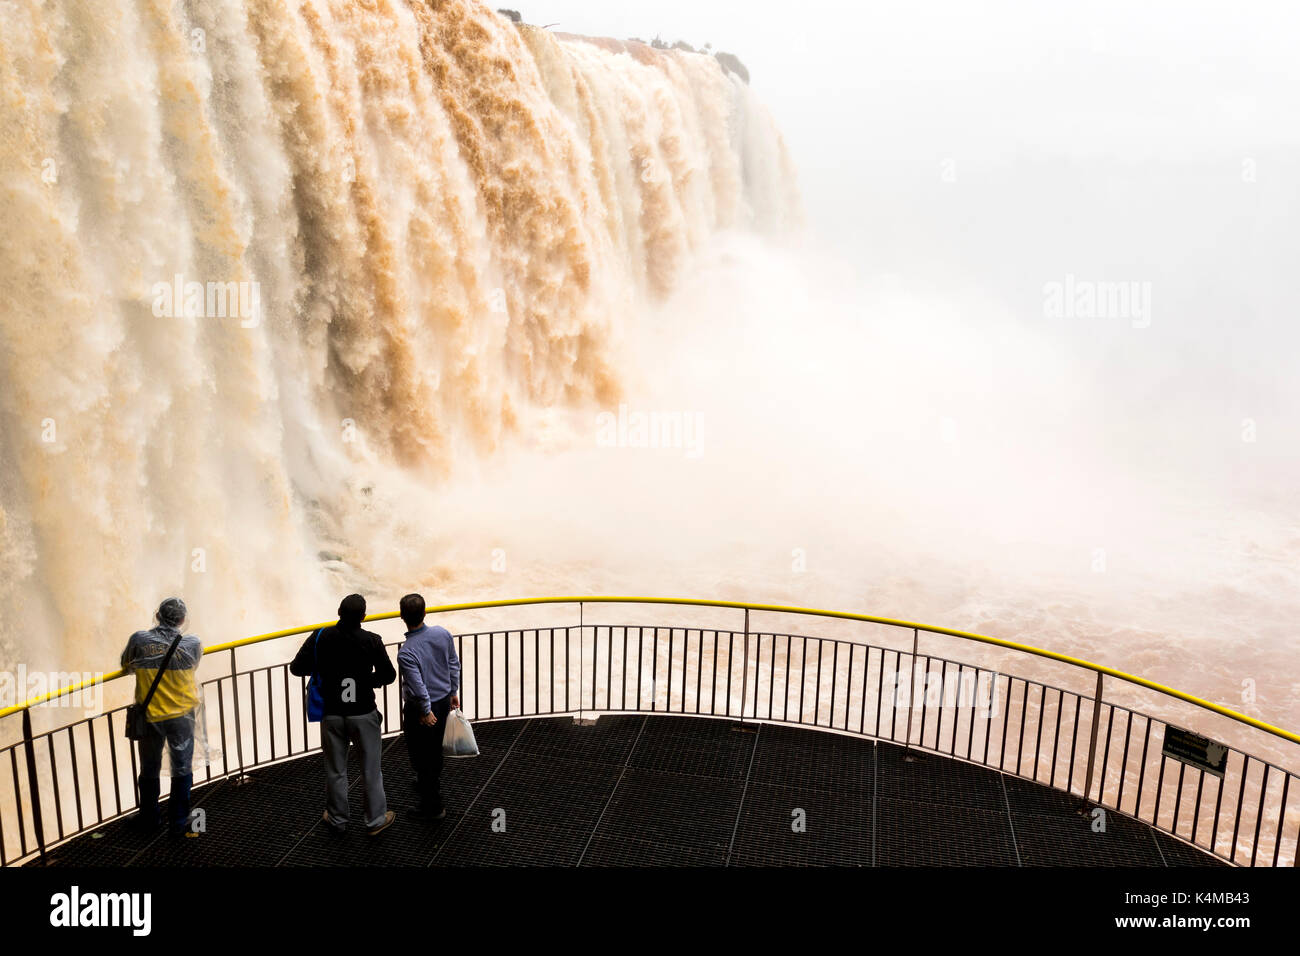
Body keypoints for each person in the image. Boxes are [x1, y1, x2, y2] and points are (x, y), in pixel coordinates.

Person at [290, 594, 397, 836]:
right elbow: (388, 675)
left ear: (338, 611)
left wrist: (324, 672)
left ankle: (337, 819)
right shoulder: (372, 640)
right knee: (370, 769)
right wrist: (367, 682)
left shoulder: (320, 636)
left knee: (335, 768)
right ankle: (375, 820)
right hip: (363, 713)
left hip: (332, 714)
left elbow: (296, 668)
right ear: (363, 617)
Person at [121, 597, 204, 837]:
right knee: (181, 768)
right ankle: (178, 822)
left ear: (157, 616)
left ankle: (150, 818)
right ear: (182, 620)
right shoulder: (192, 643)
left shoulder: (139, 639)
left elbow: (127, 664)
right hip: (182, 716)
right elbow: (194, 665)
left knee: (149, 768)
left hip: (151, 716)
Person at [396, 594, 460, 820]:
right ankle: (428, 782)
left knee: (421, 753)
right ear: (425, 613)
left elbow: (417, 685)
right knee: (433, 750)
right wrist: (453, 691)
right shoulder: (442, 633)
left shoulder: (407, 652)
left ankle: (433, 807)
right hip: (443, 701)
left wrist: (425, 711)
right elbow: (453, 663)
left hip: (422, 709)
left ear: (402, 617)